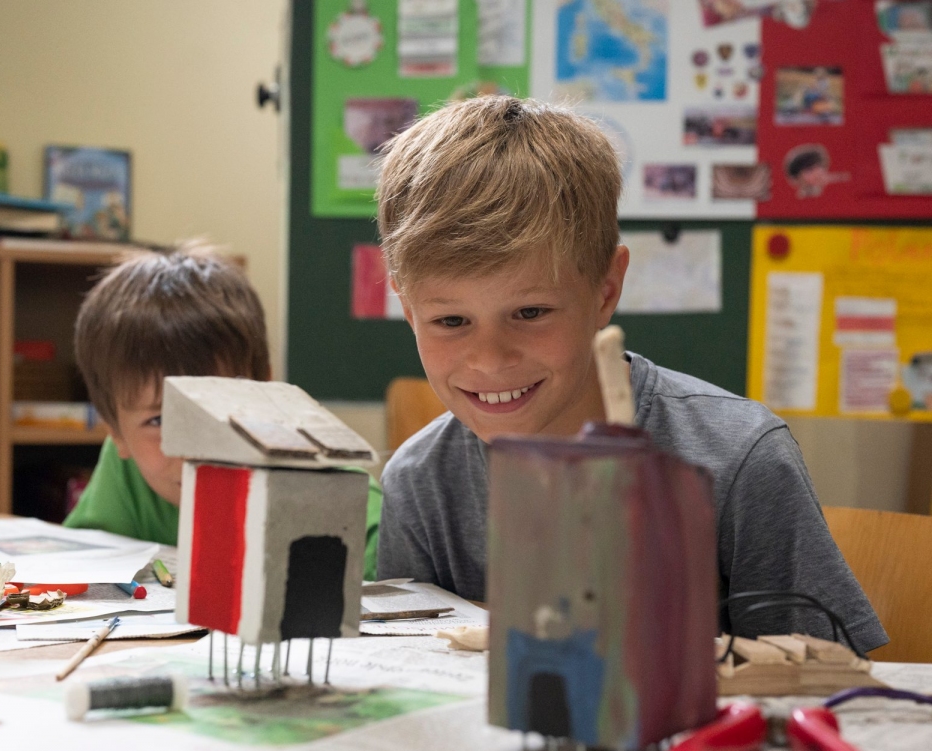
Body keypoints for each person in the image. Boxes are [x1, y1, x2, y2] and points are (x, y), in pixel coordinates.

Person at [374, 96, 886, 650]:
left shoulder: (738, 458)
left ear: (606, 290)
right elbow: (409, 671)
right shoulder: (418, 483)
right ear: (409, 310)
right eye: (451, 321)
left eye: (531, 312)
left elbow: (828, 678)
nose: (491, 359)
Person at [65, 244, 383, 579]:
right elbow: (81, 566)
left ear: (267, 393)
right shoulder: (128, 469)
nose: (194, 449)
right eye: (159, 420)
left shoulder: (339, 494)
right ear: (117, 433)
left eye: (215, 408)